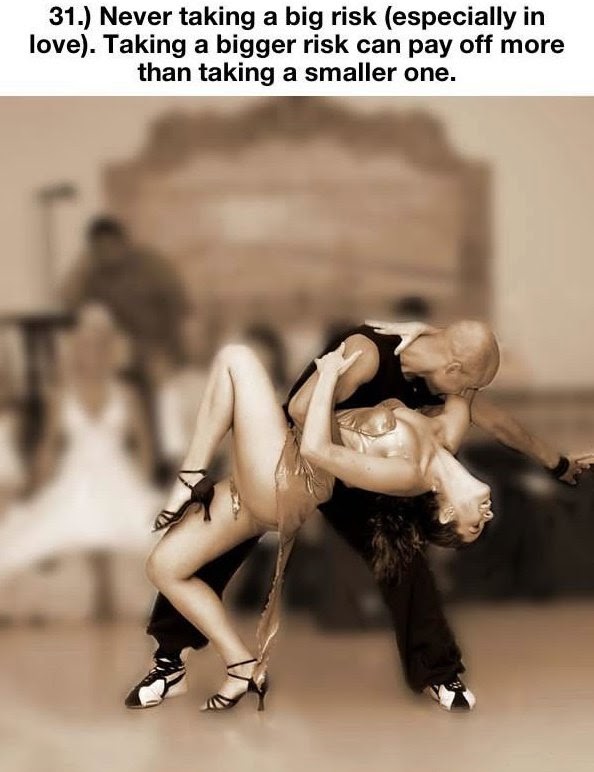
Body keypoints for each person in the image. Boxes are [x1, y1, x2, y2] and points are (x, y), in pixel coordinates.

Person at [126, 319, 592, 712]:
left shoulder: (435, 389)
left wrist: (557, 463)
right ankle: (170, 659)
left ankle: (438, 672)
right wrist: (350, 435)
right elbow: (301, 408)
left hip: (353, 470)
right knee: (215, 537)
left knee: (400, 555)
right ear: (452, 366)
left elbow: (497, 420)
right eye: (467, 385)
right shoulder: (370, 356)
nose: (467, 396)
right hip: (301, 457)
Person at [0, 305, 158, 583]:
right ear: (77, 348)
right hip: (74, 476)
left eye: (99, 344)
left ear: (108, 348)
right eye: (86, 344)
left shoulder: (127, 394)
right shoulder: (61, 395)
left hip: (118, 477)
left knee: (147, 532)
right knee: (35, 534)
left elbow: (145, 449)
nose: (92, 352)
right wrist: (36, 486)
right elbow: (48, 447)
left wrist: (143, 485)